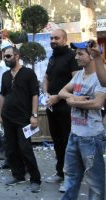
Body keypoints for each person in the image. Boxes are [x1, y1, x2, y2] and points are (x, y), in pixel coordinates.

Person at [58, 41, 106, 200]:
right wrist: (74, 97)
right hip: (75, 135)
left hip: (91, 137)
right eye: (76, 53)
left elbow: (97, 103)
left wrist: (74, 102)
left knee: (95, 183)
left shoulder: (100, 76)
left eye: (80, 54)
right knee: (70, 178)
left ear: (91, 56)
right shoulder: (79, 74)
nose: (76, 57)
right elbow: (62, 92)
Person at [0, 46, 42, 193]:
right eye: (4, 56)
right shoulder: (5, 75)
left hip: (23, 118)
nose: (6, 59)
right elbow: (2, 96)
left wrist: (34, 115)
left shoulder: (28, 73)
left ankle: (35, 179)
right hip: (7, 117)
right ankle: (18, 175)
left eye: (8, 56)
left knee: (25, 148)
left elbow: (35, 94)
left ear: (17, 56)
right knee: (11, 148)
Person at [42, 29, 79, 192]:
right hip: (52, 106)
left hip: (66, 106)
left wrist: (58, 96)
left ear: (65, 39)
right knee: (57, 141)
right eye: (51, 38)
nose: (52, 40)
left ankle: (70, 177)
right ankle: (60, 172)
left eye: (56, 38)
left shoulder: (72, 56)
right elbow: (46, 77)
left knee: (68, 143)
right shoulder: (53, 57)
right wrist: (45, 93)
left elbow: (76, 81)